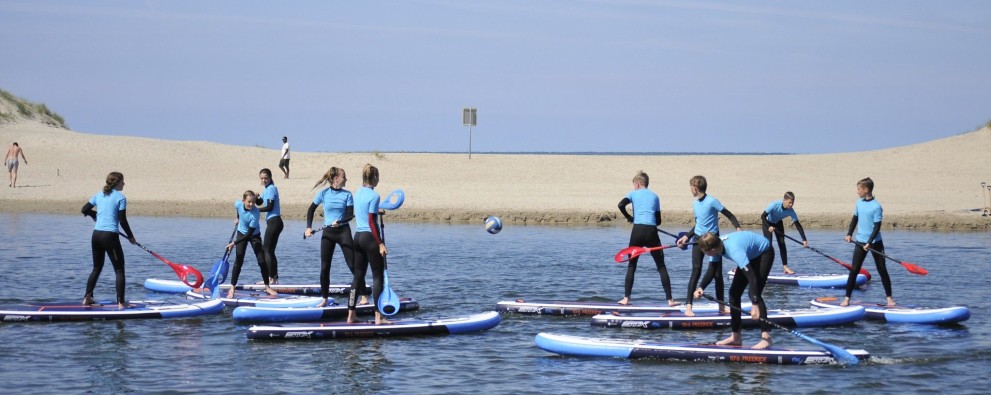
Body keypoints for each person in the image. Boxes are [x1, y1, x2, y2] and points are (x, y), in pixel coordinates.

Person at [695, 232, 774, 349]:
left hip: (764, 253)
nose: (704, 253)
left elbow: (751, 277)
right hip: (749, 254)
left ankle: (766, 338)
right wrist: (701, 287)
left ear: (711, 249)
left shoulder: (735, 250)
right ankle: (736, 337)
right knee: (733, 293)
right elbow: (712, 269)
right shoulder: (716, 247)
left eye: (704, 251)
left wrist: (754, 303)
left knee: (754, 292)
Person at [676, 175, 742, 316]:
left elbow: (729, 214)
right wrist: (686, 236)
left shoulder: (712, 201)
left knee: (717, 275)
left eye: (691, 187)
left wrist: (738, 229)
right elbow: (698, 224)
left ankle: (721, 307)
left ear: (695, 188)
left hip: (713, 242)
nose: (690, 190)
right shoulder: (695, 204)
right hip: (698, 240)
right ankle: (689, 307)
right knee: (696, 270)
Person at [305, 167, 368, 307]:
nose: (346, 179)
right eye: (344, 177)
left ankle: (364, 296)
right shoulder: (323, 193)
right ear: (336, 179)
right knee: (325, 267)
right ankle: (325, 299)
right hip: (328, 233)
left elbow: (350, 215)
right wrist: (308, 227)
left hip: (343, 232)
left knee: (352, 264)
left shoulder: (347, 195)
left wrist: (340, 221)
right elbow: (311, 210)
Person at [616, 171, 678, 306]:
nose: (634, 187)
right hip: (651, 232)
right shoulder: (655, 196)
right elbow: (659, 221)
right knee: (661, 265)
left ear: (637, 184)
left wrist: (629, 217)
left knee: (632, 265)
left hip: (637, 231)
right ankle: (670, 300)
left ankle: (626, 299)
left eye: (634, 185)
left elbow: (620, 205)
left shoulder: (632, 194)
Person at [80, 171, 135, 309]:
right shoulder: (121, 198)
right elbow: (122, 220)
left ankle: (87, 298)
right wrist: (130, 237)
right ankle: (121, 303)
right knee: (119, 270)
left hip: (96, 235)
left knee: (96, 268)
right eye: (122, 181)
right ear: (117, 183)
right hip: (110, 237)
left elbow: (84, 210)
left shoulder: (99, 195)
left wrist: (95, 215)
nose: (124, 183)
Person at [346, 164, 392, 324]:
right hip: (370, 239)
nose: (378, 179)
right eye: (378, 177)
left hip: (357, 237)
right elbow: (372, 222)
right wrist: (380, 243)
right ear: (374, 178)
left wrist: (375, 210)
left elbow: (363, 213)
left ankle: (351, 315)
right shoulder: (374, 196)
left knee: (358, 277)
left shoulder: (357, 193)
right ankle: (379, 317)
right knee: (377, 277)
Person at [841, 177, 894, 307]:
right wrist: (849, 234)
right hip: (860, 242)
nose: (857, 191)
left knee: (882, 269)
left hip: (875, 242)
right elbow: (855, 219)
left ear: (866, 189)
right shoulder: (859, 203)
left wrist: (870, 242)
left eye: (859, 189)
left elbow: (877, 227)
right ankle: (847, 299)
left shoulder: (876, 207)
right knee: (854, 270)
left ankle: (889, 299)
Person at [226, 190, 277, 298]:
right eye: (249, 202)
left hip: (253, 235)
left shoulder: (255, 213)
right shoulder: (238, 204)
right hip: (241, 232)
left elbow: (249, 234)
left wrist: (233, 243)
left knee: (262, 261)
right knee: (239, 260)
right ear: (243, 201)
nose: (251, 204)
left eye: (253, 202)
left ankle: (267, 287)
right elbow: (237, 208)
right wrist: (238, 218)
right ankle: (232, 287)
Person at [761, 192, 808, 275]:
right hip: (767, 223)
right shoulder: (774, 205)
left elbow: (798, 225)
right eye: (789, 202)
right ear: (784, 200)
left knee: (782, 244)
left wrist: (804, 239)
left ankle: (785, 267)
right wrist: (769, 227)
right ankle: (763, 267)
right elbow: (763, 216)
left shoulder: (791, 211)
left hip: (778, 223)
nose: (791, 205)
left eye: (792, 203)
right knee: (768, 247)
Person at [256, 168, 283, 284]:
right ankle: (273, 278)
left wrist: (256, 211)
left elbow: (270, 207)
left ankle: (271, 278)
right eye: (262, 178)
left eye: (266, 178)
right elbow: (260, 202)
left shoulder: (271, 188)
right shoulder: (267, 189)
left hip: (275, 222)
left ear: (270, 178)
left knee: (266, 250)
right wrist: (257, 198)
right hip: (273, 222)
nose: (264, 180)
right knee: (269, 251)